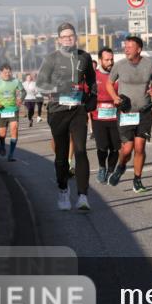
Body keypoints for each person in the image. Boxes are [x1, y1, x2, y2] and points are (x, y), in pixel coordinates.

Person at [36, 22, 97, 212]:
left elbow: (92, 79)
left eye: (71, 36)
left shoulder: (84, 57)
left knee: (81, 151)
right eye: (64, 37)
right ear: (59, 40)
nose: (68, 39)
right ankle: (63, 190)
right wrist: (58, 88)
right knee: (61, 155)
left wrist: (92, 97)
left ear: (76, 37)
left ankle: (83, 196)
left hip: (78, 110)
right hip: (57, 111)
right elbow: (40, 85)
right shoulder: (51, 58)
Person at [105, 36, 152, 193]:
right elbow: (109, 83)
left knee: (139, 147)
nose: (126, 49)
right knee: (127, 149)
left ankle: (137, 180)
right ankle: (121, 167)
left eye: (129, 47)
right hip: (126, 111)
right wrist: (114, 97)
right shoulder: (120, 65)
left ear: (138, 49)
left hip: (144, 111)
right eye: (125, 47)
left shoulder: (149, 64)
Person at [91, 48, 121, 184]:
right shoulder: (94, 76)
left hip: (115, 117)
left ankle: (110, 171)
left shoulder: (118, 75)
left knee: (115, 147)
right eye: (107, 60)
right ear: (100, 61)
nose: (110, 62)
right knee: (102, 146)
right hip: (98, 117)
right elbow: (87, 92)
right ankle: (102, 167)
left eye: (111, 59)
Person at [0, 63, 24, 161]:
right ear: (1, 72)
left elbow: (23, 91)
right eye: (5, 72)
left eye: (9, 72)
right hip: (0, 110)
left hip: (13, 109)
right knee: (2, 133)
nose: (7, 74)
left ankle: (11, 154)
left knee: (14, 129)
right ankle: (2, 144)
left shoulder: (15, 81)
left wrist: (20, 99)